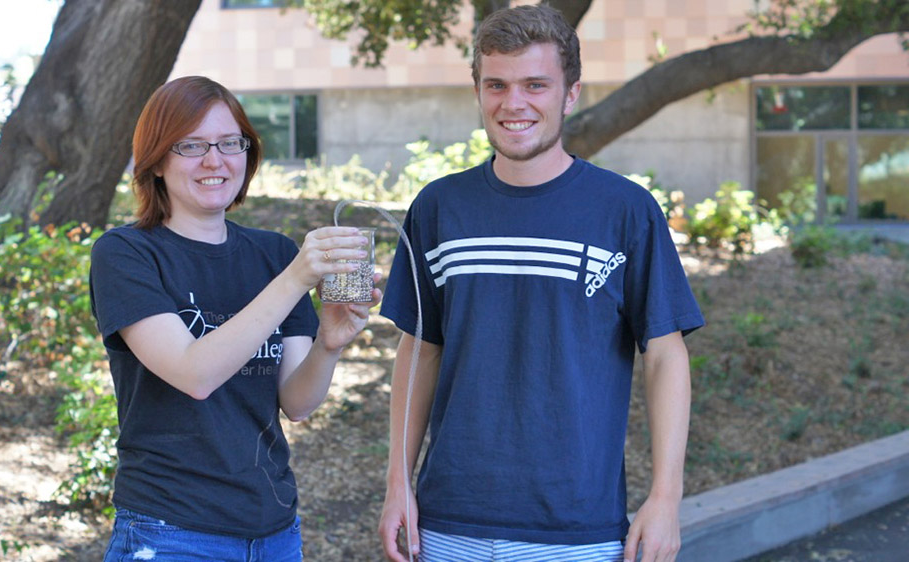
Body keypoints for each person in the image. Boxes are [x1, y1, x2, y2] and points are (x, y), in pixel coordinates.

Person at [377, 5, 704, 562]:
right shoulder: (438, 208)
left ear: (570, 93)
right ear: (478, 90)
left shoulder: (624, 211)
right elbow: (419, 351)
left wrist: (666, 498)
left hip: (577, 532)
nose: (514, 103)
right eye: (497, 85)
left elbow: (666, 357)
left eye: (536, 84)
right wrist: (397, 484)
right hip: (448, 523)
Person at [90, 75, 379, 561]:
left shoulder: (273, 254)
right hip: (170, 532)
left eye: (230, 142)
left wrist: (330, 343)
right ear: (157, 160)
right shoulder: (127, 254)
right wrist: (294, 280)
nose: (214, 160)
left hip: (275, 531)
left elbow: (298, 402)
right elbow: (194, 374)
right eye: (191, 145)